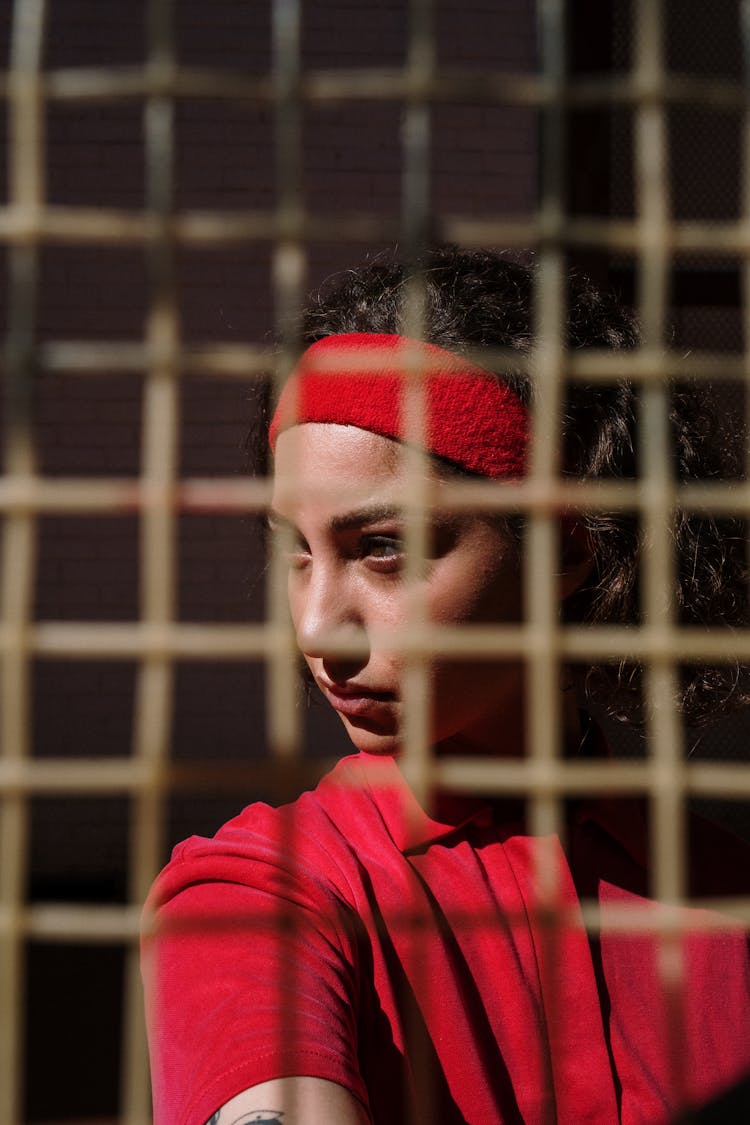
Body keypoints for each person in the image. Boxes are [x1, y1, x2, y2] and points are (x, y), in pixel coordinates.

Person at [142, 247, 750, 1125]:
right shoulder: (254, 896)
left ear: (566, 547)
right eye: (295, 550)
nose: (316, 626)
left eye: (383, 546)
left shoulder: (720, 883)